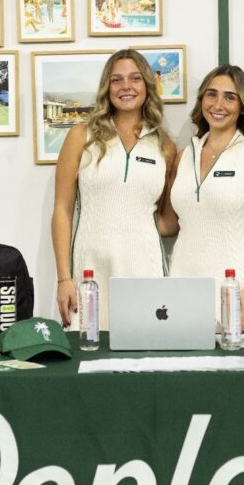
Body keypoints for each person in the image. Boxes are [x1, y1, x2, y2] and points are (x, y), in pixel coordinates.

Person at [52, 49, 177, 330]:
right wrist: (63, 278)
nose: (126, 87)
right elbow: (62, 209)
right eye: (117, 80)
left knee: (146, 359)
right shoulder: (80, 136)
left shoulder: (165, 147)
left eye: (135, 78)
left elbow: (167, 222)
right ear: (107, 88)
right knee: (87, 358)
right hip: (91, 267)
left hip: (145, 268)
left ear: (147, 85)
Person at [159, 64, 244, 331]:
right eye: (211, 94)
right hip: (183, 285)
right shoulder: (184, 157)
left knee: (237, 369)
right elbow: (169, 226)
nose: (219, 104)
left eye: (230, 97)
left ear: (243, 106)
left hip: (236, 286)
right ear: (202, 100)